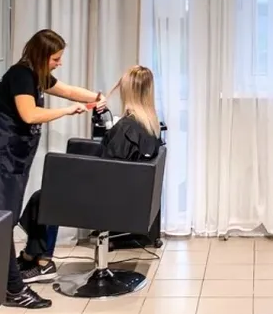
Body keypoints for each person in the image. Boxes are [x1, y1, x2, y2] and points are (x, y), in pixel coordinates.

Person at [0, 29, 107, 310]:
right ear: (42, 56)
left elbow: (67, 90)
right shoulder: (21, 75)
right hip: (0, 157)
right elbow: (29, 114)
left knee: (2, 218)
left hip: (9, 158)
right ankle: (13, 289)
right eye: (55, 59)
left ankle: (5, 280)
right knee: (1, 220)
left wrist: (97, 97)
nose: (59, 63)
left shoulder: (35, 75)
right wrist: (67, 111)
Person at [17, 65, 164, 281]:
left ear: (127, 91)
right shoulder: (150, 124)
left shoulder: (126, 128)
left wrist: (75, 178)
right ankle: (31, 256)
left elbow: (108, 170)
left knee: (45, 197)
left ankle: (42, 261)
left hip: (108, 201)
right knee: (49, 194)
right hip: (128, 199)